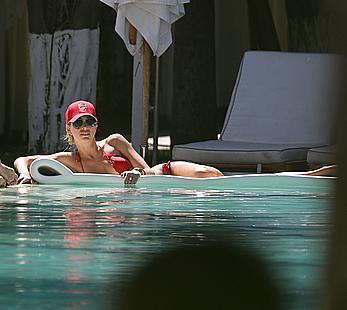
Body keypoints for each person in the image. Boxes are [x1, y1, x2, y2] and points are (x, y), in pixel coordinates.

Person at [14, 100, 223, 185]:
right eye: (78, 123)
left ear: (96, 126)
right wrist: (24, 173)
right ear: (69, 129)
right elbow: (23, 159)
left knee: (206, 173)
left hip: (161, 175)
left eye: (90, 122)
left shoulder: (115, 142)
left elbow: (148, 170)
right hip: (128, 199)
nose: (84, 127)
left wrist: (137, 173)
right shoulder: (69, 161)